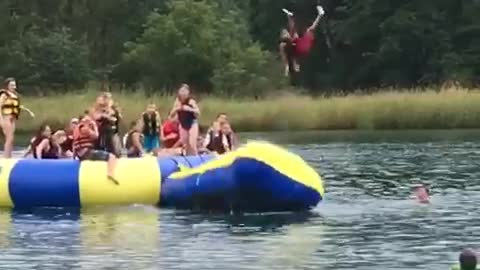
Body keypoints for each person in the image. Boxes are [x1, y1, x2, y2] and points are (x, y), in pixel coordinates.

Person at [73, 114, 119, 185]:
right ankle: (110, 173)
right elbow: (95, 136)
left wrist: (74, 157)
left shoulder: (78, 128)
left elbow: (74, 146)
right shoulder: (85, 128)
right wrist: (94, 126)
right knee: (112, 156)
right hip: (87, 153)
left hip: (81, 154)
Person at [279, 6, 324, 77]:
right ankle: (320, 15)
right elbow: (292, 30)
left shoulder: (292, 43)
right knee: (309, 29)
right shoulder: (297, 39)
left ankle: (320, 15)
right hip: (303, 47)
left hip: (301, 48)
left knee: (284, 44)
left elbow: (291, 31)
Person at [0, 78, 35, 158]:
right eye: (11, 85)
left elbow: (18, 106)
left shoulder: (14, 95)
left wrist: (29, 111)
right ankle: (5, 157)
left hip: (12, 119)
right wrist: (1, 119)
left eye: (14, 85)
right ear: (7, 86)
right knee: (9, 138)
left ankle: (9, 156)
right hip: (6, 118)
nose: (14, 86)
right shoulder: (4, 95)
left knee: (11, 139)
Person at [169, 84, 200, 155]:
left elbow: (198, 112)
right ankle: (188, 157)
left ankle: (195, 156)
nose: (183, 93)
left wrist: (190, 109)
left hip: (192, 122)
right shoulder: (177, 101)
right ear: (179, 92)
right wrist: (177, 108)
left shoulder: (191, 101)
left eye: (185, 91)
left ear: (188, 92)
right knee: (184, 143)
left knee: (192, 143)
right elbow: (171, 114)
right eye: (182, 91)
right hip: (182, 123)